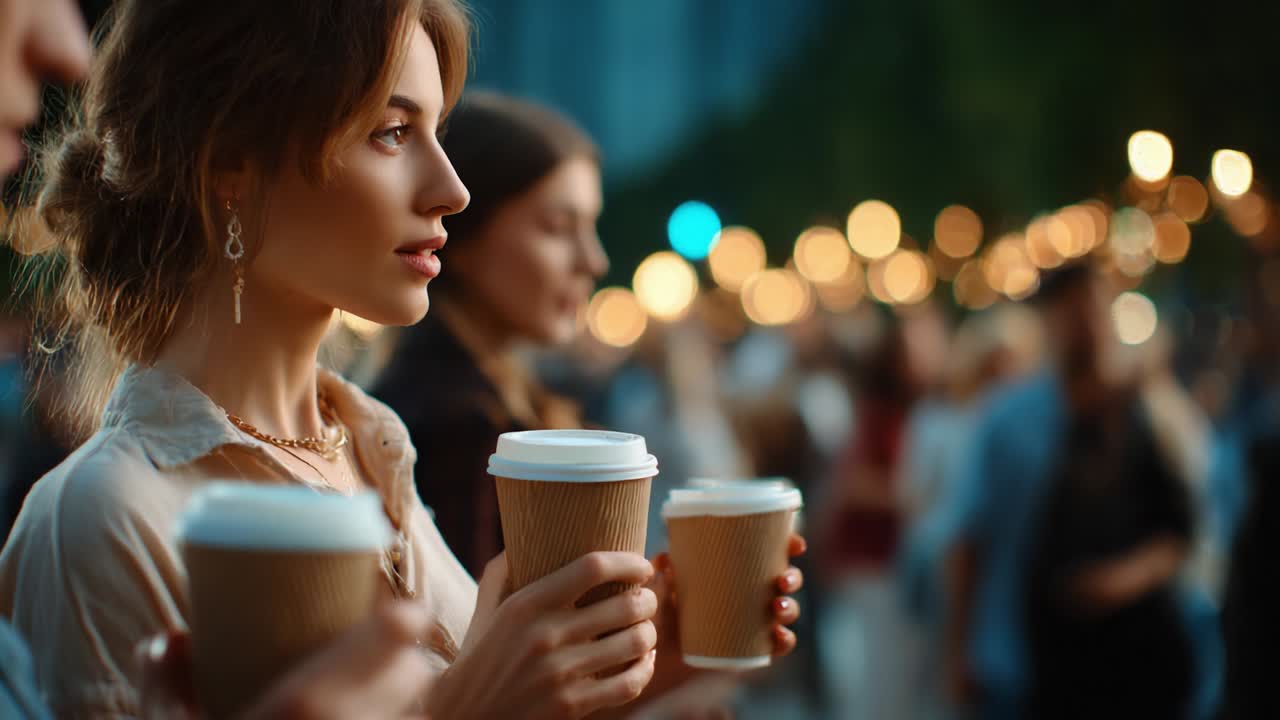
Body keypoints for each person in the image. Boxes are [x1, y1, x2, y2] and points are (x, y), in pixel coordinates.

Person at [0, 2, 670, 717]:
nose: (453, 189)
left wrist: (656, 675)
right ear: (230, 164)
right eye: (392, 133)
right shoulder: (104, 516)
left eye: (437, 134)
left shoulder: (371, 447)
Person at [368, 90, 805, 712]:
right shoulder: (454, 427)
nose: (594, 259)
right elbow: (487, 694)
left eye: (591, 227)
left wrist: (670, 656)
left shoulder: (501, 404)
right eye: (557, 227)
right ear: (462, 234)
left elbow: (539, 693)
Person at [941, 263, 1218, 719]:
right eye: (1069, 309)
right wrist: (958, 651)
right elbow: (970, 538)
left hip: (1133, 660)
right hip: (1030, 660)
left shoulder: (1148, 411)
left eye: (1091, 307)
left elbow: (1183, 527)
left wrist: (1117, 581)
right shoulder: (1009, 418)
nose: (1083, 322)